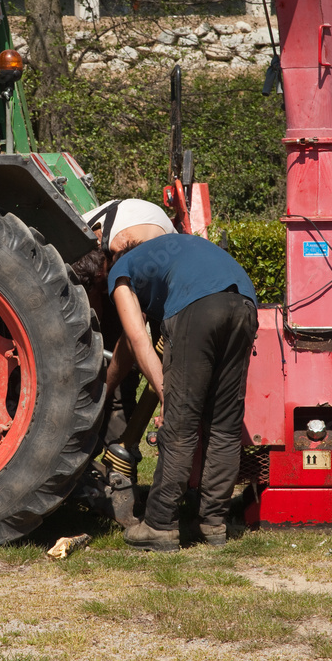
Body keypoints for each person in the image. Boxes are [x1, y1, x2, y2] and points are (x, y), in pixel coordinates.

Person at [106, 232, 257, 551]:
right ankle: (213, 523)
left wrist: (166, 396)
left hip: (197, 307)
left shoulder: (122, 270)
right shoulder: (171, 247)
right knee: (224, 426)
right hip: (244, 303)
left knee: (180, 425)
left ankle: (160, 525)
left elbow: (138, 341)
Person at [76, 199, 175, 457]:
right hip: (107, 256)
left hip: (158, 278)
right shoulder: (84, 242)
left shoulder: (135, 255)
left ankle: (117, 450)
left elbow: (135, 338)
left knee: (126, 365)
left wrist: (104, 392)